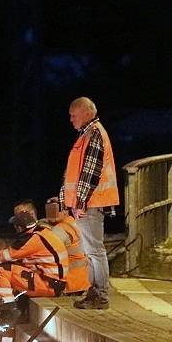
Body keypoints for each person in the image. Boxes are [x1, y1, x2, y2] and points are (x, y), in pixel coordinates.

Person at [61, 96, 118, 310]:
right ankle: (95, 293)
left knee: (95, 251)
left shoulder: (93, 134)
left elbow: (90, 173)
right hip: (88, 204)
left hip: (91, 204)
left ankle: (100, 295)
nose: (71, 119)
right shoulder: (87, 134)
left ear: (86, 113)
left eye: (73, 115)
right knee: (91, 251)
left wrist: (80, 202)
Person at [0, 202, 77, 325]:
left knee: (1, 270)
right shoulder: (41, 232)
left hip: (47, 285)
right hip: (53, 283)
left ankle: (7, 312)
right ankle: (12, 310)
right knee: (14, 270)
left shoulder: (31, 240)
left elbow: (5, 256)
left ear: (20, 228)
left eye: (16, 227)